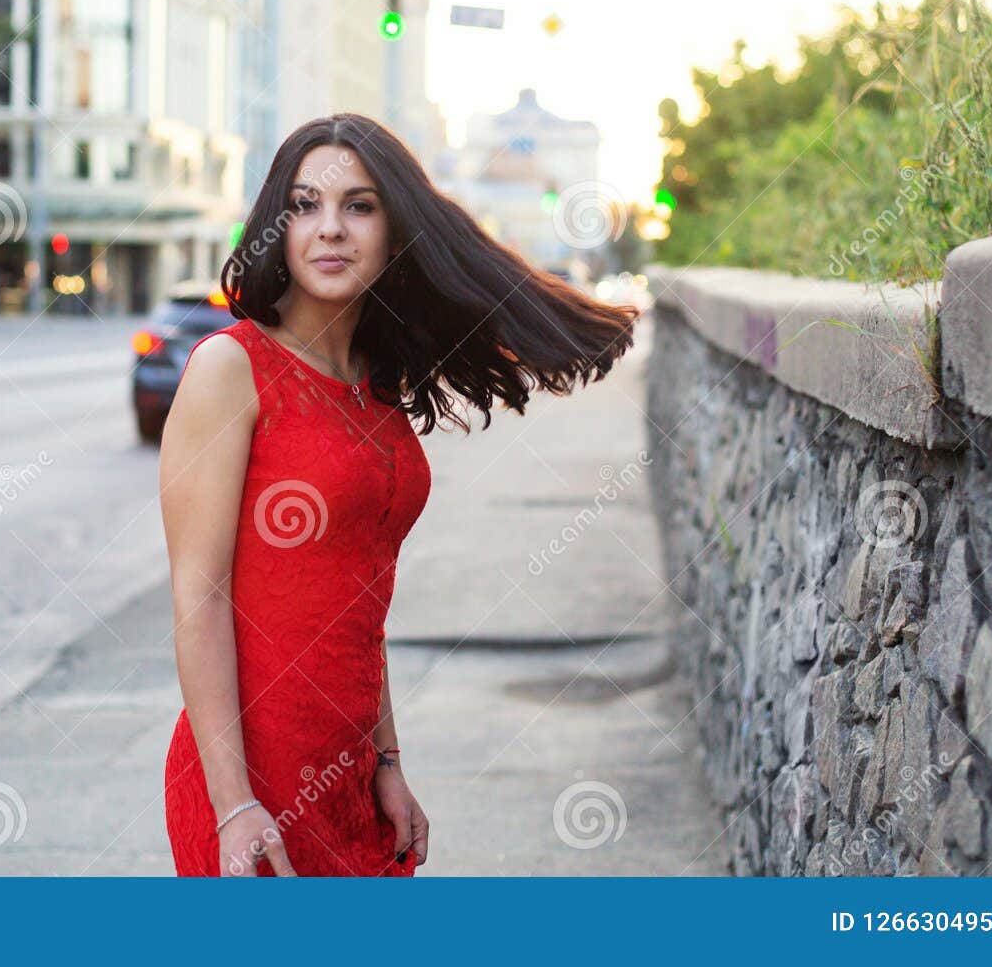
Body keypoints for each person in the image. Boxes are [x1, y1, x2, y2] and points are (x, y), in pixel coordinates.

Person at [159, 113, 639, 876]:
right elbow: (199, 597)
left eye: (360, 205)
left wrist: (387, 759)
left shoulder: (378, 390)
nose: (330, 229)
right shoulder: (231, 368)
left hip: (350, 774)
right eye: (304, 205)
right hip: (254, 779)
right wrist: (234, 805)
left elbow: (359, 601)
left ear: (395, 229)